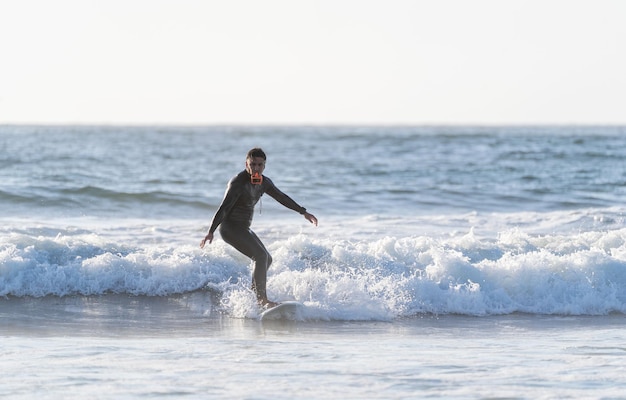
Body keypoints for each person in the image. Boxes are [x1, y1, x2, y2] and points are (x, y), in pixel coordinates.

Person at [200, 148, 318, 308]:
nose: (255, 168)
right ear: (246, 164)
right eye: (252, 164)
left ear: (264, 166)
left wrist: (303, 212)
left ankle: (253, 293)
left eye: (259, 165)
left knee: (267, 258)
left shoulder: (264, 182)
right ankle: (262, 300)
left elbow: (281, 197)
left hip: (244, 228)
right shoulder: (237, 183)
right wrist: (211, 231)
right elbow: (224, 208)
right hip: (230, 228)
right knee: (261, 257)